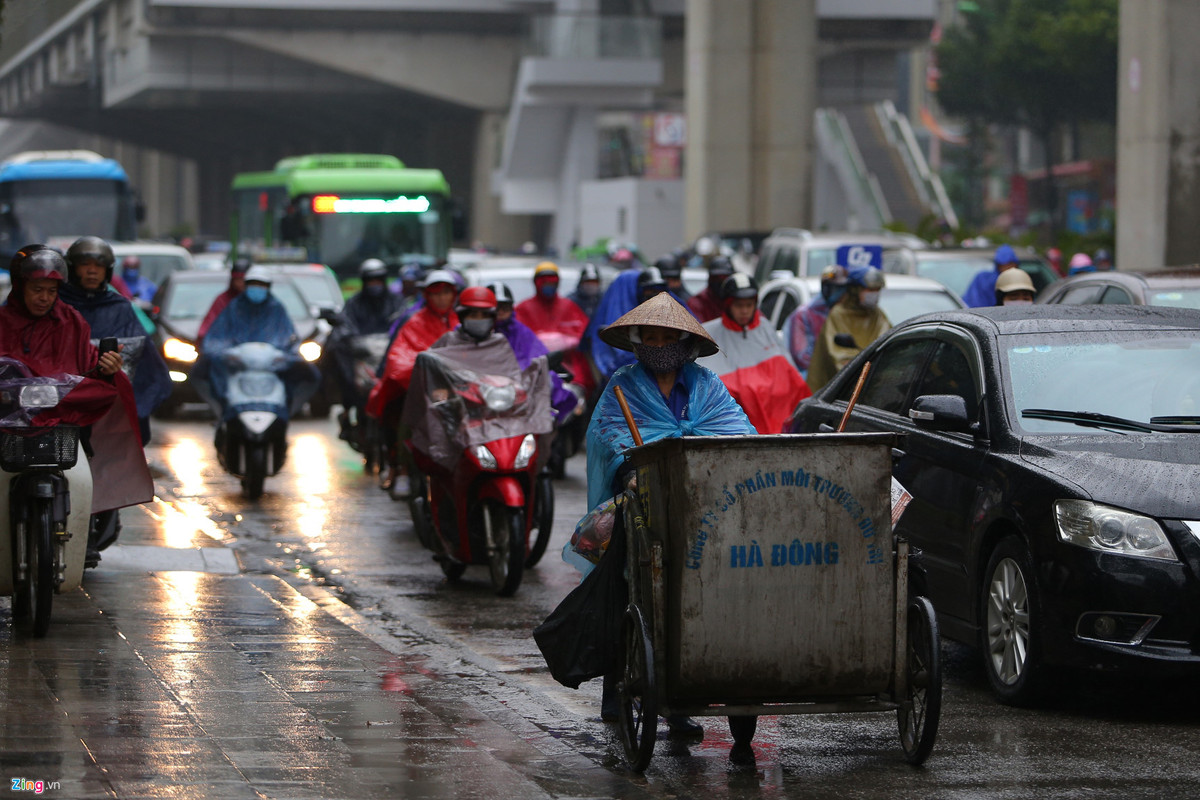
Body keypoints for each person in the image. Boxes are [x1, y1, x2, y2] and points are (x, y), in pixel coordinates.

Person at [579, 291, 755, 736]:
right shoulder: (622, 385)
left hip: (703, 509)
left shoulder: (708, 386)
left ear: (683, 341)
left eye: (666, 337)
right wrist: (632, 470)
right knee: (630, 589)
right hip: (642, 506)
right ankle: (616, 691)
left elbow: (738, 432)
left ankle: (682, 702)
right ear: (638, 342)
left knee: (698, 596)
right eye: (650, 338)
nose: (658, 345)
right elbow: (609, 436)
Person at [0, 245, 152, 567]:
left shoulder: (72, 321)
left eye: (51, 291)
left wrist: (106, 368)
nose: (44, 298)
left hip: (61, 423)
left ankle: (84, 538)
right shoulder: (2, 321)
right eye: (37, 290)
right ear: (20, 287)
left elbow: (86, 368)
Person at [60, 236, 172, 444]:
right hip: (63, 403)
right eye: (85, 264)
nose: (92, 271)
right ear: (72, 268)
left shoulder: (119, 307)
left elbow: (144, 359)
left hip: (110, 405)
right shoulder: (57, 305)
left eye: (99, 266)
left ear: (108, 270)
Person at [367, 270, 460, 494]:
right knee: (403, 414)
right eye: (435, 293)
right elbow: (399, 356)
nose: (441, 298)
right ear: (427, 296)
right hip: (421, 387)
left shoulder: (461, 321)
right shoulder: (413, 322)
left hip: (458, 388)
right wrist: (419, 370)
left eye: (446, 292)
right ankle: (401, 469)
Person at [197, 266, 319, 420]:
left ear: (268, 287)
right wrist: (226, 353)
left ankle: (285, 412)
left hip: (270, 367)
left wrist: (284, 355)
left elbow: (288, 337)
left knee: (310, 373)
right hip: (237, 367)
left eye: (261, 285)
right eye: (253, 284)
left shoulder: (276, 309)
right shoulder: (233, 308)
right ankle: (223, 412)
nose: (257, 289)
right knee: (202, 370)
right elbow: (216, 337)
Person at [698, 274, 811, 433]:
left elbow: (793, 380)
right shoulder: (709, 333)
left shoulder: (764, 327)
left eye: (749, 305)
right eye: (739, 305)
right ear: (728, 305)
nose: (744, 311)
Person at [331, 258, 406, 440]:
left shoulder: (397, 302)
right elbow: (345, 326)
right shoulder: (354, 304)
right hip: (362, 358)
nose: (375, 285)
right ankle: (347, 410)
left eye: (378, 281)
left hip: (389, 356)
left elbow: (404, 324)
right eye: (371, 281)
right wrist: (349, 338)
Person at [488, 283, 579, 426]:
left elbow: (538, 359)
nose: (499, 313)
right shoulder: (469, 333)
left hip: (522, 399)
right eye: (495, 308)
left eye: (504, 308)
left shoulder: (521, 332)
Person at [806, 264, 890, 392]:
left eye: (877, 290)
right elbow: (840, 358)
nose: (874, 294)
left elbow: (890, 342)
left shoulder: (877, 314)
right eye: (869, 290)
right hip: (839, 392)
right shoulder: (838, 314)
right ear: (855, 290)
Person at [783, 264, 848, 376]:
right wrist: (835, 364)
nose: (841, 294)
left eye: (844, 289)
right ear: (826, 289)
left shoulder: (847, 313)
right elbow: (802, 358)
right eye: (837, 289)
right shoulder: (804, 315)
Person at [515, 261, 591, 354]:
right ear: (536, 283)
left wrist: (566, 341)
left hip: (566, 362)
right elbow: (515, 337)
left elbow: (585, 333)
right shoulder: (523, 308)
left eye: (552, 282)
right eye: (544, 282)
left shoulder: (569, 306)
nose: (548, 285)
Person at [198, 257, 250, 342]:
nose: (240, 283)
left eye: (243, 280)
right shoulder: (223, 300)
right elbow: (209, 324)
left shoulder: (263, 301)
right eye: (237, 279)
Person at [687, 256, 735, 322]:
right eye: (716, 278)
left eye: (724, 278)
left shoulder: (736, 301)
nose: (720, 282)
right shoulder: (697, 303)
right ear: (710, 278)